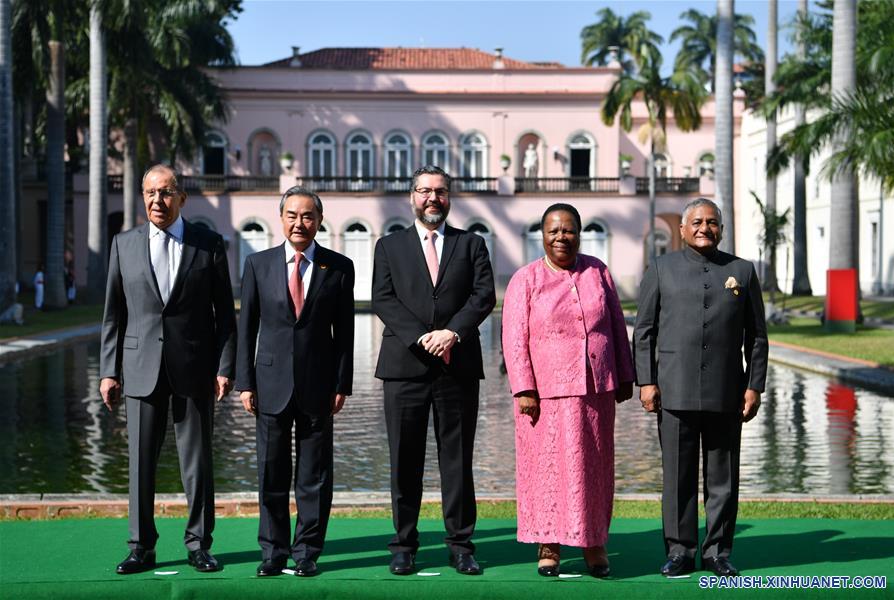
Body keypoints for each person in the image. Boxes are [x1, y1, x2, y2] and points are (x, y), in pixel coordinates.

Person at [99, 164, 237, 575]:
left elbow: (223, 316)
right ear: (143, 197)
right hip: (140, 368)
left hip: (194, 369)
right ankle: (141, 546)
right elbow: (113, 315)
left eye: (165, 192)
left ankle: (199, 544)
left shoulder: (208, 244)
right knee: (140, 464)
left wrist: (224, 366)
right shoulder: (123, 244)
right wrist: (109, 370)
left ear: (181, 198)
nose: (157, 201)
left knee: (197, 464)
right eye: (150, 193)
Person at [633, 198, 768, 578]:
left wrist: (753, 386)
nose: (704, 228)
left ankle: (717, 552)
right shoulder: (661, 268)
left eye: (711, 222)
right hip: (673, 391)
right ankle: (679, 551)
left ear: (721, 229)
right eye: (696, 221)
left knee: (722, 478)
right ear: (682, 228)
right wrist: (646, 381)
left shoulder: (741, 271)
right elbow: (644, 332)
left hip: (727, 391)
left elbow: (757, 337)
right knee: (678, 478)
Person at [372, 165, 495, 576]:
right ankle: (403, 544)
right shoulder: (388, 247)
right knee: (404, 460)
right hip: (404, 367)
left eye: (440, 192)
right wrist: (422, 338)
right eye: (424, 191)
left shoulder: (471, 244)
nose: (432, 199)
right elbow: (384, 300)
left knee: (456, 460)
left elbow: (483, 297)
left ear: (449, 198)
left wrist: (452, 334)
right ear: (412, 196)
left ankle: (460, 544)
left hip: (456, 366)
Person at [502, 203, 634, 578]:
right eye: (553, 231)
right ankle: (549, 544)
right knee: (545, 472)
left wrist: (624, 375)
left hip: (595, 390)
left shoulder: (598, 272)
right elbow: (514, 340)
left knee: (593, 468)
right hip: (543, 395)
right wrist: (524, 388)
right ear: (542, 236)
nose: (561, 237)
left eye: (569, 230)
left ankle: (594, 542)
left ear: (579, 233)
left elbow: (616, 326)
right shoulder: (525, 279)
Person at [235, 186, 354, 577]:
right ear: (281, 219)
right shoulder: (258, 264)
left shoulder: (338, 267)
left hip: (319, 386)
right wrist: (244, 382)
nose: (299, 223)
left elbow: (345, 333)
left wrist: (343, 383)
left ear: (319, 221)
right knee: (271, 472)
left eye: (307, 216)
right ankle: (272, 551)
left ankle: (307, 552)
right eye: (292, 215)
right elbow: (246, 326)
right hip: (268, 383)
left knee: (314, 475)